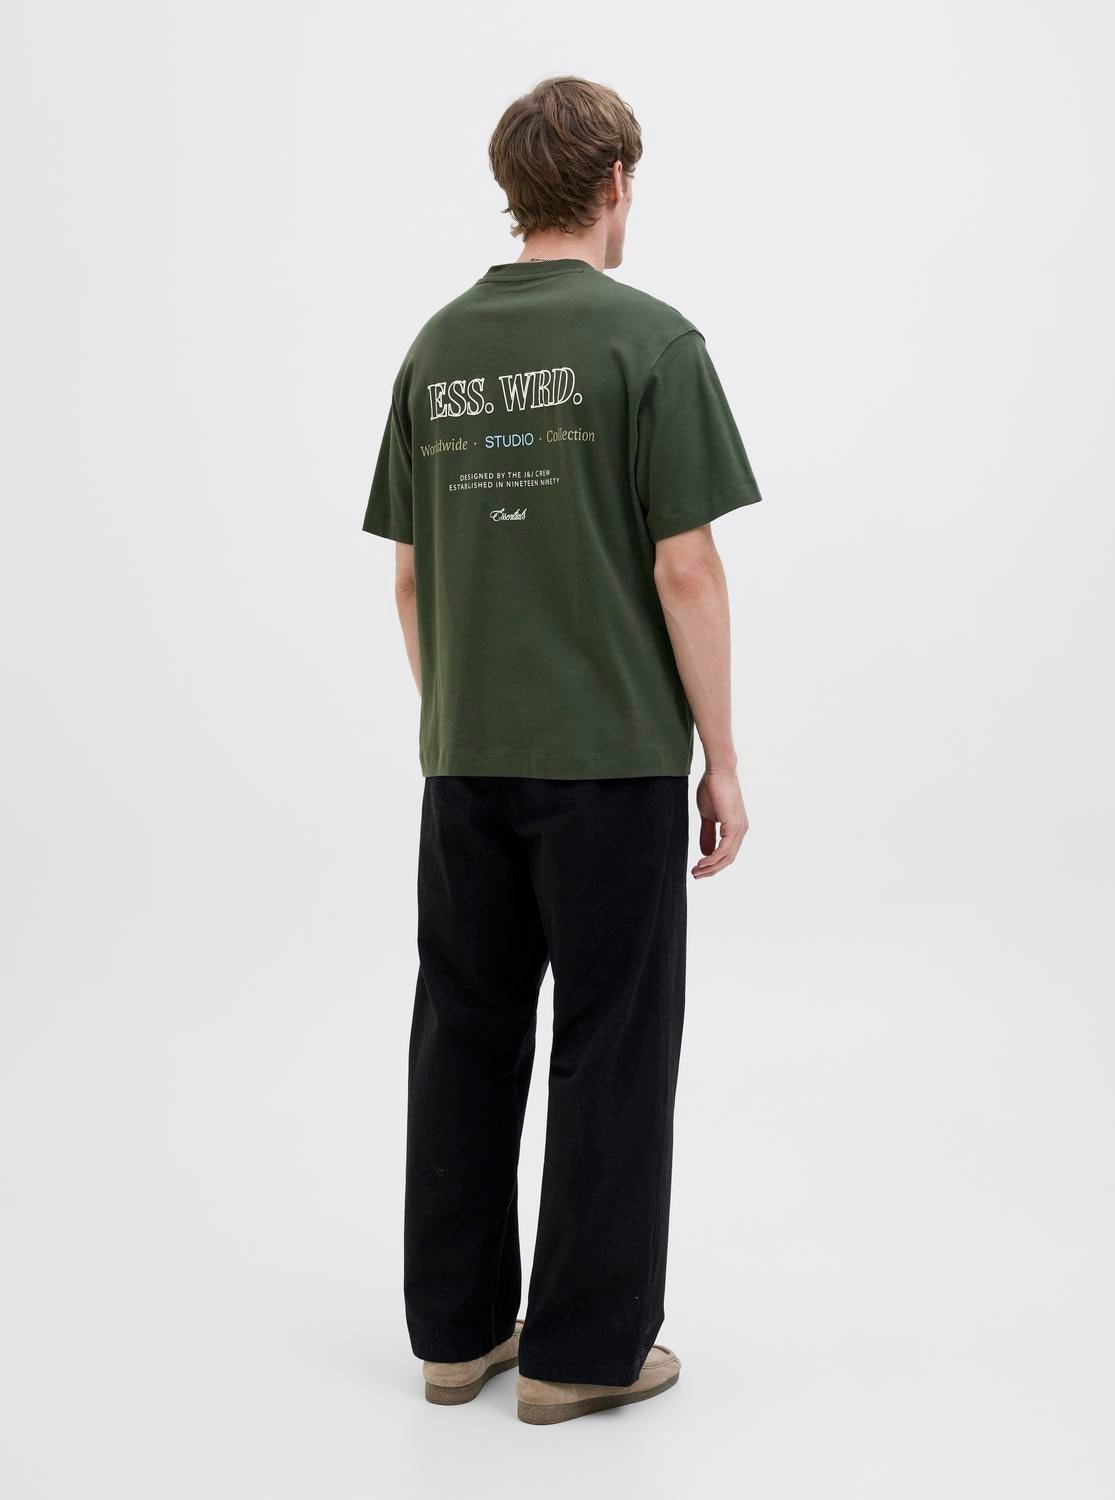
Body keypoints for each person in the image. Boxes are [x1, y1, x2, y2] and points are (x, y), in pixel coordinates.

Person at [363, 75, 763, 1425]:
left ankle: (456, 1336)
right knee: (611, 1046)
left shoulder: (435, 348)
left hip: (464, 757)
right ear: (613, 185)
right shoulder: (650, 342)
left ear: (512, 188)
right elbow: (685, 566)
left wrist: (460, 716)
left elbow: (409, 577)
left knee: (463, 1034)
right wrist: (721, 758)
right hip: (610, 764)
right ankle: (582, 1356)